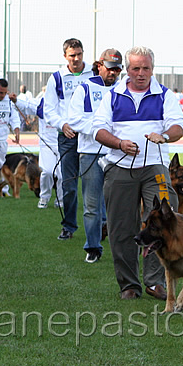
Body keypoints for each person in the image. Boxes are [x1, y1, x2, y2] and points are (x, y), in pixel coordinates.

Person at [94, 46, 183, 300]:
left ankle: (155, 281)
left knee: (165, 218)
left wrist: (164, 135)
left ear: (152, 69)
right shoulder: (112, 95)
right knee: (121, 228)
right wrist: (119, 143)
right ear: (127, 69)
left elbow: (179, 125)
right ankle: (129, 285)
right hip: (119, 166)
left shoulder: (164, 95)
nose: (141, 73)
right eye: (136, 68)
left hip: (154, 168)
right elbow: (98, 129)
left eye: (146, 68)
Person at [68, 48, 121, 264]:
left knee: (119, 204)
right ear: (99, 65)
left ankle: (122, 247)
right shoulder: (84, 89)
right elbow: (74, 120)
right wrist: (101, 130)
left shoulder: (123, 90)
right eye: (110, 68)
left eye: (117, 69)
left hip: (117, 153)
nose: (113, 73)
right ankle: (92, 247)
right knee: (91, 204)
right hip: (90, 154)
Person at [43, 38, 93, 240]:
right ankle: (69, 226)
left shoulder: (94, 73)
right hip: (68, 136)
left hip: (91, 136)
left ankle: (103, 224)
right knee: (69, 184)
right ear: (65, 56)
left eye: (79, 54)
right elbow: (49, 109)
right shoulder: (56, 78)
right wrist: (62, 124)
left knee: (95, 183)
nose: (77, 58)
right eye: (72, 55)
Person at [11, 94, 63, 210]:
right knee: (47, 172)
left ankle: (60, 199)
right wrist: (15, 100)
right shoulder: (42, 103)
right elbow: (26, 105)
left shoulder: (67, 102)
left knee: (62, 175)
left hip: (63, 143)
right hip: (46, 143)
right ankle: (44, 197)